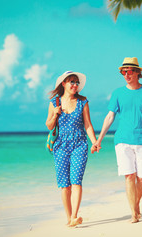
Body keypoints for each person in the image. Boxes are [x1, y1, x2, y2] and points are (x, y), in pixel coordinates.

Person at [94, 57, 142, 223]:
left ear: (138, 73)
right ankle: (134, 212)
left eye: (129, 71)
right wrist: (99, 139)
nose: (126, 74)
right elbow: (110, 116)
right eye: (123, 72)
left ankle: (136, 203)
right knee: (129, 176)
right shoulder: (118, 93)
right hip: (122, 140)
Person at [45, 71, 98, 227]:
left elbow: (87, 124)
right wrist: (55, 114)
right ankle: (69, 218)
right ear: (63, 84)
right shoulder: (54, 103)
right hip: (60, 146)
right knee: (64, 185)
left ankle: (74, 216)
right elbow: (49, 125)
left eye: (77, 82)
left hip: (79, 144)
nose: (75, 85)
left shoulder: (83, 102)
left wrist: (94, 141)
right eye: (72, 82)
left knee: (76, 181)